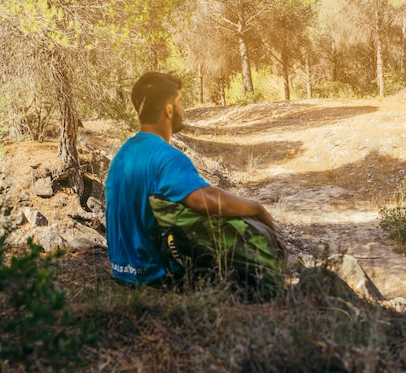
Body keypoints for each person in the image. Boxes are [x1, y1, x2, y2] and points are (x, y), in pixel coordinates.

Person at [105, 71, 284, 296]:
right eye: (180, 103)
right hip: (156, 277)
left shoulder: (123, 154)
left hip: (123, 272)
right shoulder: (166, 157)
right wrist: (257, 208)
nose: (183, 110)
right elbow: (205, 200)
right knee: (246, 229)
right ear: (168, 110)